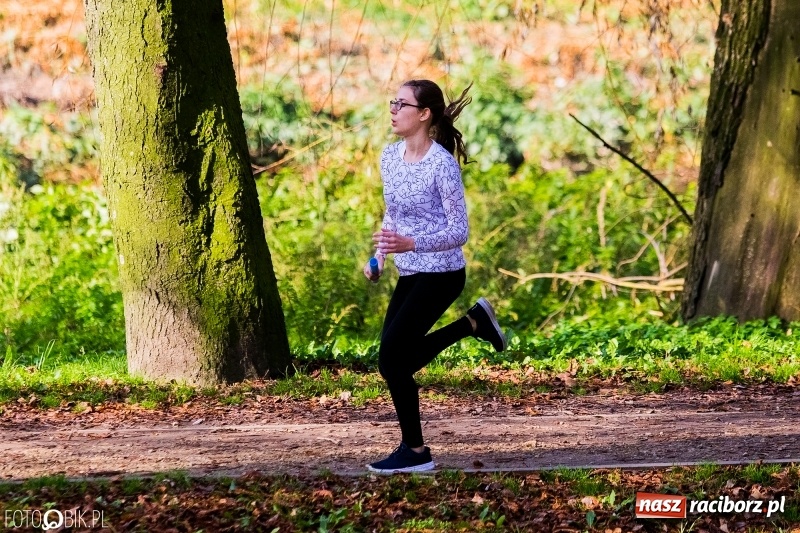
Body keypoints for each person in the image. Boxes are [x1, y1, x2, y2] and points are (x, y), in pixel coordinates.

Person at [363, 79, 506, 474]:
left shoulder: (442, 165)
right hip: (410, 272)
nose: (393, 110)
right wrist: (379, 257)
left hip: (442, 273)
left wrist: (412, 243)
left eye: (402, 104)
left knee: (392, 361)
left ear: (424, 114)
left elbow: (460, 232)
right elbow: (393, 213)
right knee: (393, 361)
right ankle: (473, 323)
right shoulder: (390, 157)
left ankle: (415, 451)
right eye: (392, 102)